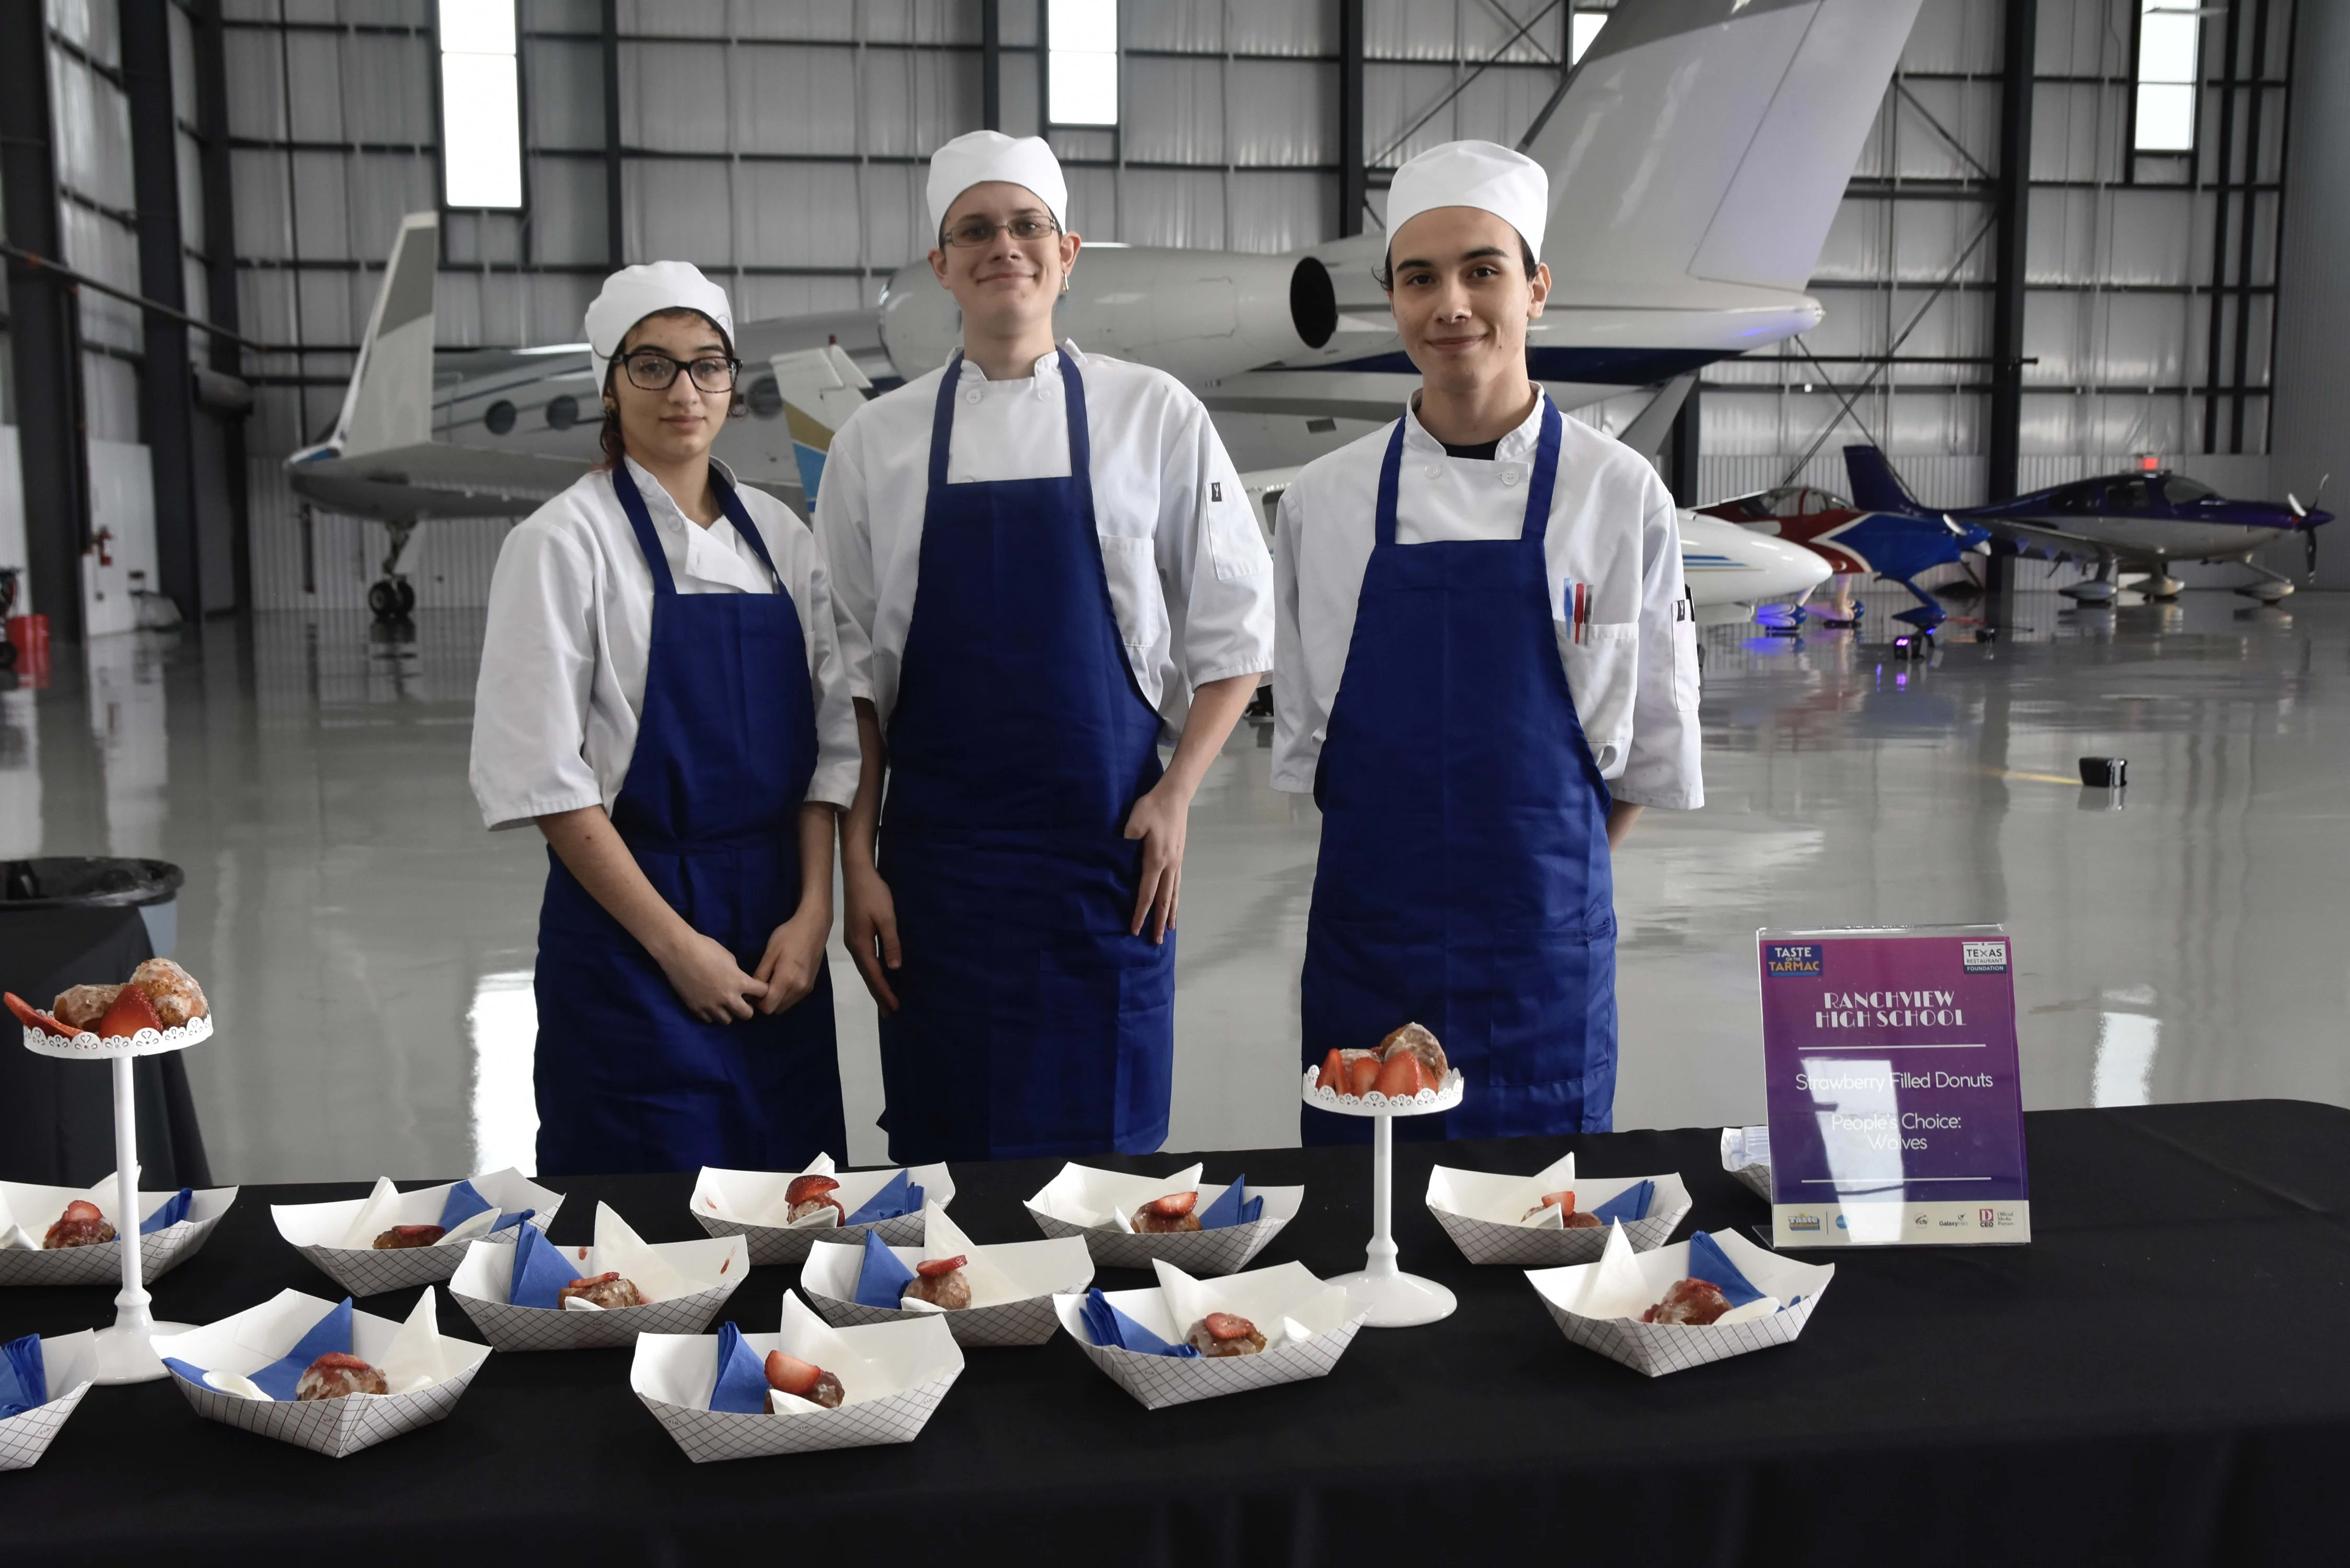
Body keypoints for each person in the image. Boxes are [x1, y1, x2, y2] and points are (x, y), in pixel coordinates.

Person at [817, 130, 1274, 1163]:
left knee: (1104, 1160)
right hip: (936, 875)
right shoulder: (874, 444)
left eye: (1027, 226)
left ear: (1067, 255)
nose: (1003, 246)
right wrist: (858, 861)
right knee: (945, 1160)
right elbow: (851, 685)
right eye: (975, 230)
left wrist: (1177, 795)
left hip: (1106, 859)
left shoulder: (1153, 415)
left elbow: (1239, 628)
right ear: (940, 266)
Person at [1272, 141, 1703, 1142]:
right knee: (1368, 1202)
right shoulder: (1323, 504)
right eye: (1420, 278)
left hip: (1542, 956)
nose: (1451, 304)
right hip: (1372, 944)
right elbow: (1312, 742)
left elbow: (1648, 742)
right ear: (1393, 300)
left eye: (1482, 271)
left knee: (1541, 1208)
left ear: (1536, 289)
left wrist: (1545, 888)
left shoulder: (1619, 495)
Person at [470, 261, 857, 1174]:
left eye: (707, 365)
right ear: (609, 384)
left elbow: (831, 746)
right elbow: (546, 782)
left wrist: (813, 916)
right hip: (631, 942)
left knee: (793, 1204)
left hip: (777, 940)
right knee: (640, 1216)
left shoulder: (781, 538)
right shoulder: (561, 544)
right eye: (652, 366)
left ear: (731, 382)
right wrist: (676, 947)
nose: (684, 392)